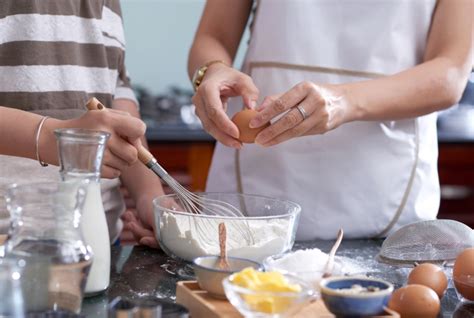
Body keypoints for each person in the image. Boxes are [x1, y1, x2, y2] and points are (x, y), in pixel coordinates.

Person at [188, 0, 472, 240]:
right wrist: (210, 71)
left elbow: (449, 74)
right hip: (254, 178)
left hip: (386, 186)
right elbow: (212, 37)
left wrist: (344, 100)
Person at [0, 0, 160, 247]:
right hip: (10, 241)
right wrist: (52, 139)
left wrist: (149, 194)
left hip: (99, 241)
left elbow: (115, 92)